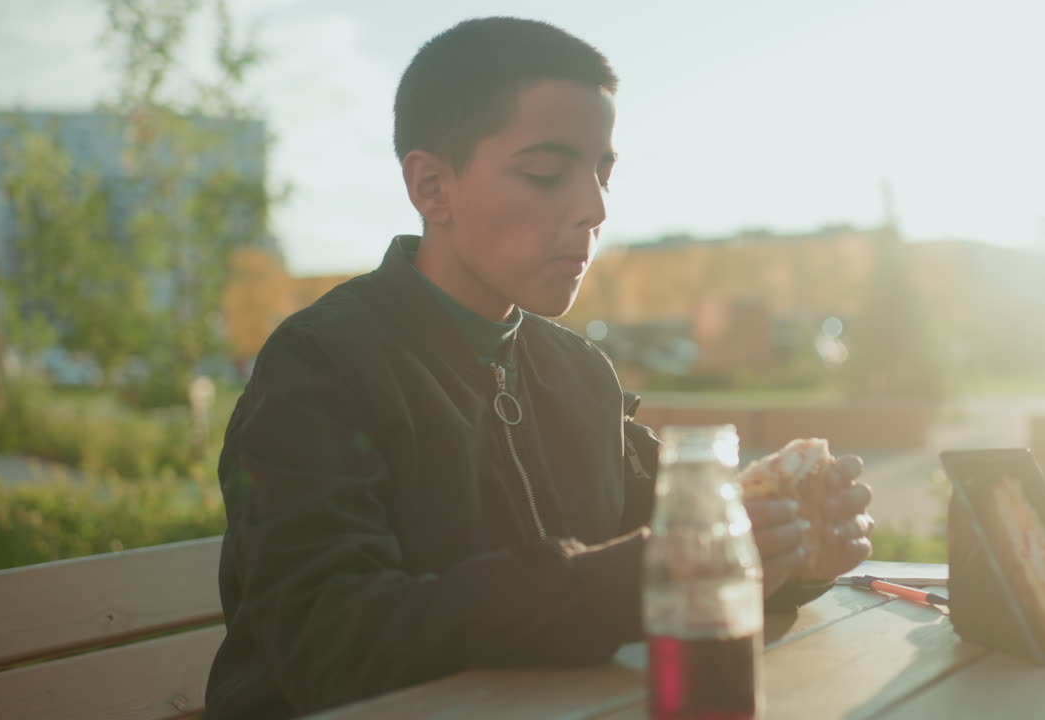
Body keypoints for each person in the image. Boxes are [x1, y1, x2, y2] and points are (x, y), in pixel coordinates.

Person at [204, 16, 874, 719]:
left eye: (602, 172)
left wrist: (786, 559)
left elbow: (675, 546)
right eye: (547, 173)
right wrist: (635, 578)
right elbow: (325, 641)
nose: (595, 207)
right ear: (432, 187)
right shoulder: (322, 365)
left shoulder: (580, 374)